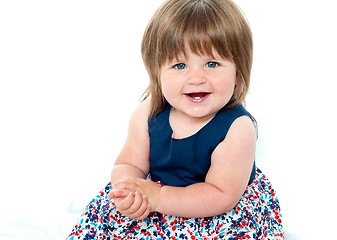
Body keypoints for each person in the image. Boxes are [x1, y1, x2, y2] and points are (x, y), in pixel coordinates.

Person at [67, 0, 284, 239]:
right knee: (105, 219)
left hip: (213, 209)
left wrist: (159, 197)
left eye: (212, 64)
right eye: (180, 65)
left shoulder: (237, 129)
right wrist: (130, 190)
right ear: (157, 72)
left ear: (238, 73)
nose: (196, 78)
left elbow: (220, 195)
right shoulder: (148, 113)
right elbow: (129, 164)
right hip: (156, 196)